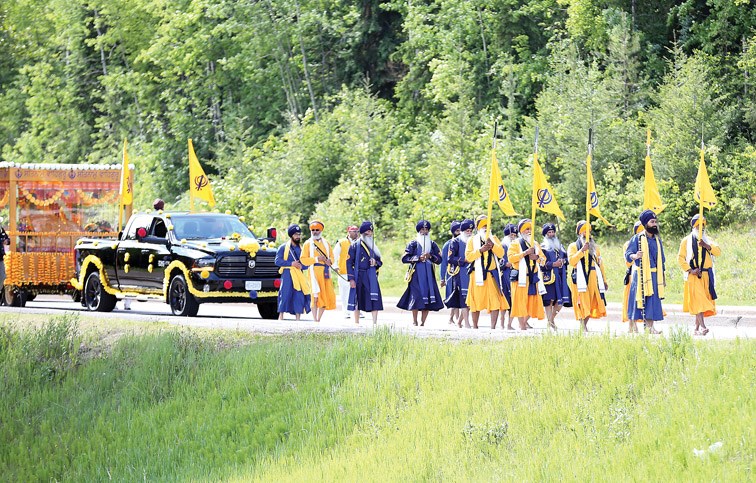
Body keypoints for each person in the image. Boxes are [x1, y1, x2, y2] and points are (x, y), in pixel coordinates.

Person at [677, 214, 720, 336]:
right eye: (698, 225)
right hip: (694, 275)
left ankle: (696, 329)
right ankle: (703, 327)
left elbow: (718, 252)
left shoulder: (708, 240)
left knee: (700, 301)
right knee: (699, 301)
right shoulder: (686, 241)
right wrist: (690, 270)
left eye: (703, 225)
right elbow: (680, 258)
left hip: (707, 275)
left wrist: (706, 246)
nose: (701, 228)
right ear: (693, 227)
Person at [464, 215, 509, 329]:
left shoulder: (494, 238)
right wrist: (481, 250)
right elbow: (468, 257)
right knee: (476, 302)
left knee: (495, 301)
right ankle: (475, 326)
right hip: (477, 274)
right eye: (483, 225)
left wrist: (492, 245)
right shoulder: (472, 240)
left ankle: (493, 327)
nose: (486, 228)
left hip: (491, 275)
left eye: (487, 225)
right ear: (478, 227)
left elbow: (501, 253)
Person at [626, 209, 666, 334]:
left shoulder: (657, 241)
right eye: (652, 222)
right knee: (638, 300)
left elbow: (662, 261)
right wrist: (635, 256)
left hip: (655, 275)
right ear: (645, 224)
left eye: (655, 222)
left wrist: (663, 278)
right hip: (641, 274)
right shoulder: (637, 239)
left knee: (653, 301)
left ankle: (650, 328)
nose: (655, 224)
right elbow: (628, 254)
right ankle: (632, 326)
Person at [397, 220, 444, 325]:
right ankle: (414, 321)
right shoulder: (413, 244)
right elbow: (404, 258)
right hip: (416, 275)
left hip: (429, 275)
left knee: (428, 297)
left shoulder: (432, 244)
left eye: (426, 229)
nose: (424, 231)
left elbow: (440, 260)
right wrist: (418, 258)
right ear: (419, 231)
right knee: (416, 296)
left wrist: (430, 256)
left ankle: (423, 322)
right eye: (422, 229)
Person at [567, 221, 608, 332]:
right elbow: (571, 261)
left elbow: (600, 264)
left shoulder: (595, 248)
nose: (587, 233)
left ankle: (584, 325)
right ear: (580, 233)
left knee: (591, 302)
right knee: (582, 302)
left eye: (589, 231)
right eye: (585, 231)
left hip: (594, 278)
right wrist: (582, 251)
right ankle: (582, 326)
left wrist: (604, 280)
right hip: (580, 278)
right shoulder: (573, 246)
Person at [508, 219, 546, 330]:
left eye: (530, 229)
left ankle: (524, 323)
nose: (529, 231)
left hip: (533, 277)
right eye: (527, 229)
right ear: (521, 231)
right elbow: (511, 258)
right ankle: (522, 326)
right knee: (520, 302)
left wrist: (537, 257)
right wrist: (525, 253)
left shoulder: (535, 244)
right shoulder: (515, 243)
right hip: (520, 277)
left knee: (533, 302)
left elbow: (543, 260)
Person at [347, 221, 383, 325]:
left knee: (374, 299)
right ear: (363, 232)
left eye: (371, 231)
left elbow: (380, 262)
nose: (370, 233)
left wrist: (375, 262)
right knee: (357, 298)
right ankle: (356, 322)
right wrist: (351, 279)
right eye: (368, 231)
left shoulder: (373, 246)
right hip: (359, 275)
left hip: (371, 275)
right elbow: (349, 263)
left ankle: (375, 323)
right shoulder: (354, 246)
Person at [301, 220, 336, 322]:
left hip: (325, 272)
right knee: (315, 295)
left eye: (317, 230)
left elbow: (332, 256)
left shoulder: (326, 243)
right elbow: (303, 260)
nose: (315, 232)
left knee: (325, 294)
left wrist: (330, 261)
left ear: (321, 231)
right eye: (313, 230)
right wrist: (316, 259)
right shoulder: (307, 244)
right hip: (314, 272)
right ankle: (314, 319)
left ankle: (318, 319)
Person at [274, 224, 312, 320]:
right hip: (287, 273)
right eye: (296, 234)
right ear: (291, 235)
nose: (298, 236)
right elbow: (277, 261)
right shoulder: (283, 247)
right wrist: (291, 263)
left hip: (299, 274)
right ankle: (281, 316)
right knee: (285, 294)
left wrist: (301, 266)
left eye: (299, 234)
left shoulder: (302, 248)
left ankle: (298, 317)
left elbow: (306, 263)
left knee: (298, 295)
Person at [541, 222, 571, 330]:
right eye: (549, 232)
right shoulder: (542, 248)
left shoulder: (560, 247)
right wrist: (553, 264)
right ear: (545, 234)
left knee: (560, 301)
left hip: (560, 276)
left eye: (553, 232)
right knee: (549, 300)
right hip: (549, 277)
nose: (551, 234)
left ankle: (551, 319)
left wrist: (563, 261)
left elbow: (568, 259)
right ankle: (550, 322)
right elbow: (541, 263)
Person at [446, 219, 473, 328]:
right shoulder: (455, 242)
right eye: (467, 230)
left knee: (471, 298)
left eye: (471, 230)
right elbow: (450, 258)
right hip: (460, 273)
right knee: (463, 298)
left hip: (473, 272)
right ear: (462, 230)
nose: (469, 232)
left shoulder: (474, 241)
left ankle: (459, 321)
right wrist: (464, 260)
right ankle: (466, 322)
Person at [333, 225, 360, 318]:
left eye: (357, 231)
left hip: (356, 271)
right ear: (349, 232)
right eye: (354, 231)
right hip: (343, 270)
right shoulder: (341, 242)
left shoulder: (360, 242)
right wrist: (335, 266)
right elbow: (334, 255)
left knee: (357, 291)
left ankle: (357, 310)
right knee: (344, 292)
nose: (356, 233)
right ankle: (346, 311)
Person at [622, 222, 643, 333]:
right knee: (632, 300)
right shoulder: (630, 243)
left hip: (645, 275)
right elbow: (627, 262)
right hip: (633, 276)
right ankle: (632, 325)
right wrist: (636, 256)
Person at [439, 221, 461, 325]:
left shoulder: (465, 243)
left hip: (463, 272)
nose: (459, 232)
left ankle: (454, 318)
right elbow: (443, 262)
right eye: (457, 230)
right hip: (451, 273)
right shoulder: (447, 245)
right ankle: (455, 318)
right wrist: (442, 278)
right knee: (453, 295)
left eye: (461, 230)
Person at [499, 223, 517, 330]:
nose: (513, 236)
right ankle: (501, 324)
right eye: (511, 234)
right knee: (504, 301)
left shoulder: (516, 246)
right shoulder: (502, 246)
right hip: (504, 276)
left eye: (514, 235)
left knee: (513, 300)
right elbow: (497, 263)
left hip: (515, 275)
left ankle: (509, 324)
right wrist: (505, 264)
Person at [0, 218, 10, 304]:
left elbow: (8, 239)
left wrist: (6, 241)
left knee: (3, 276)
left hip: (0, 257)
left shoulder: (1, 230)